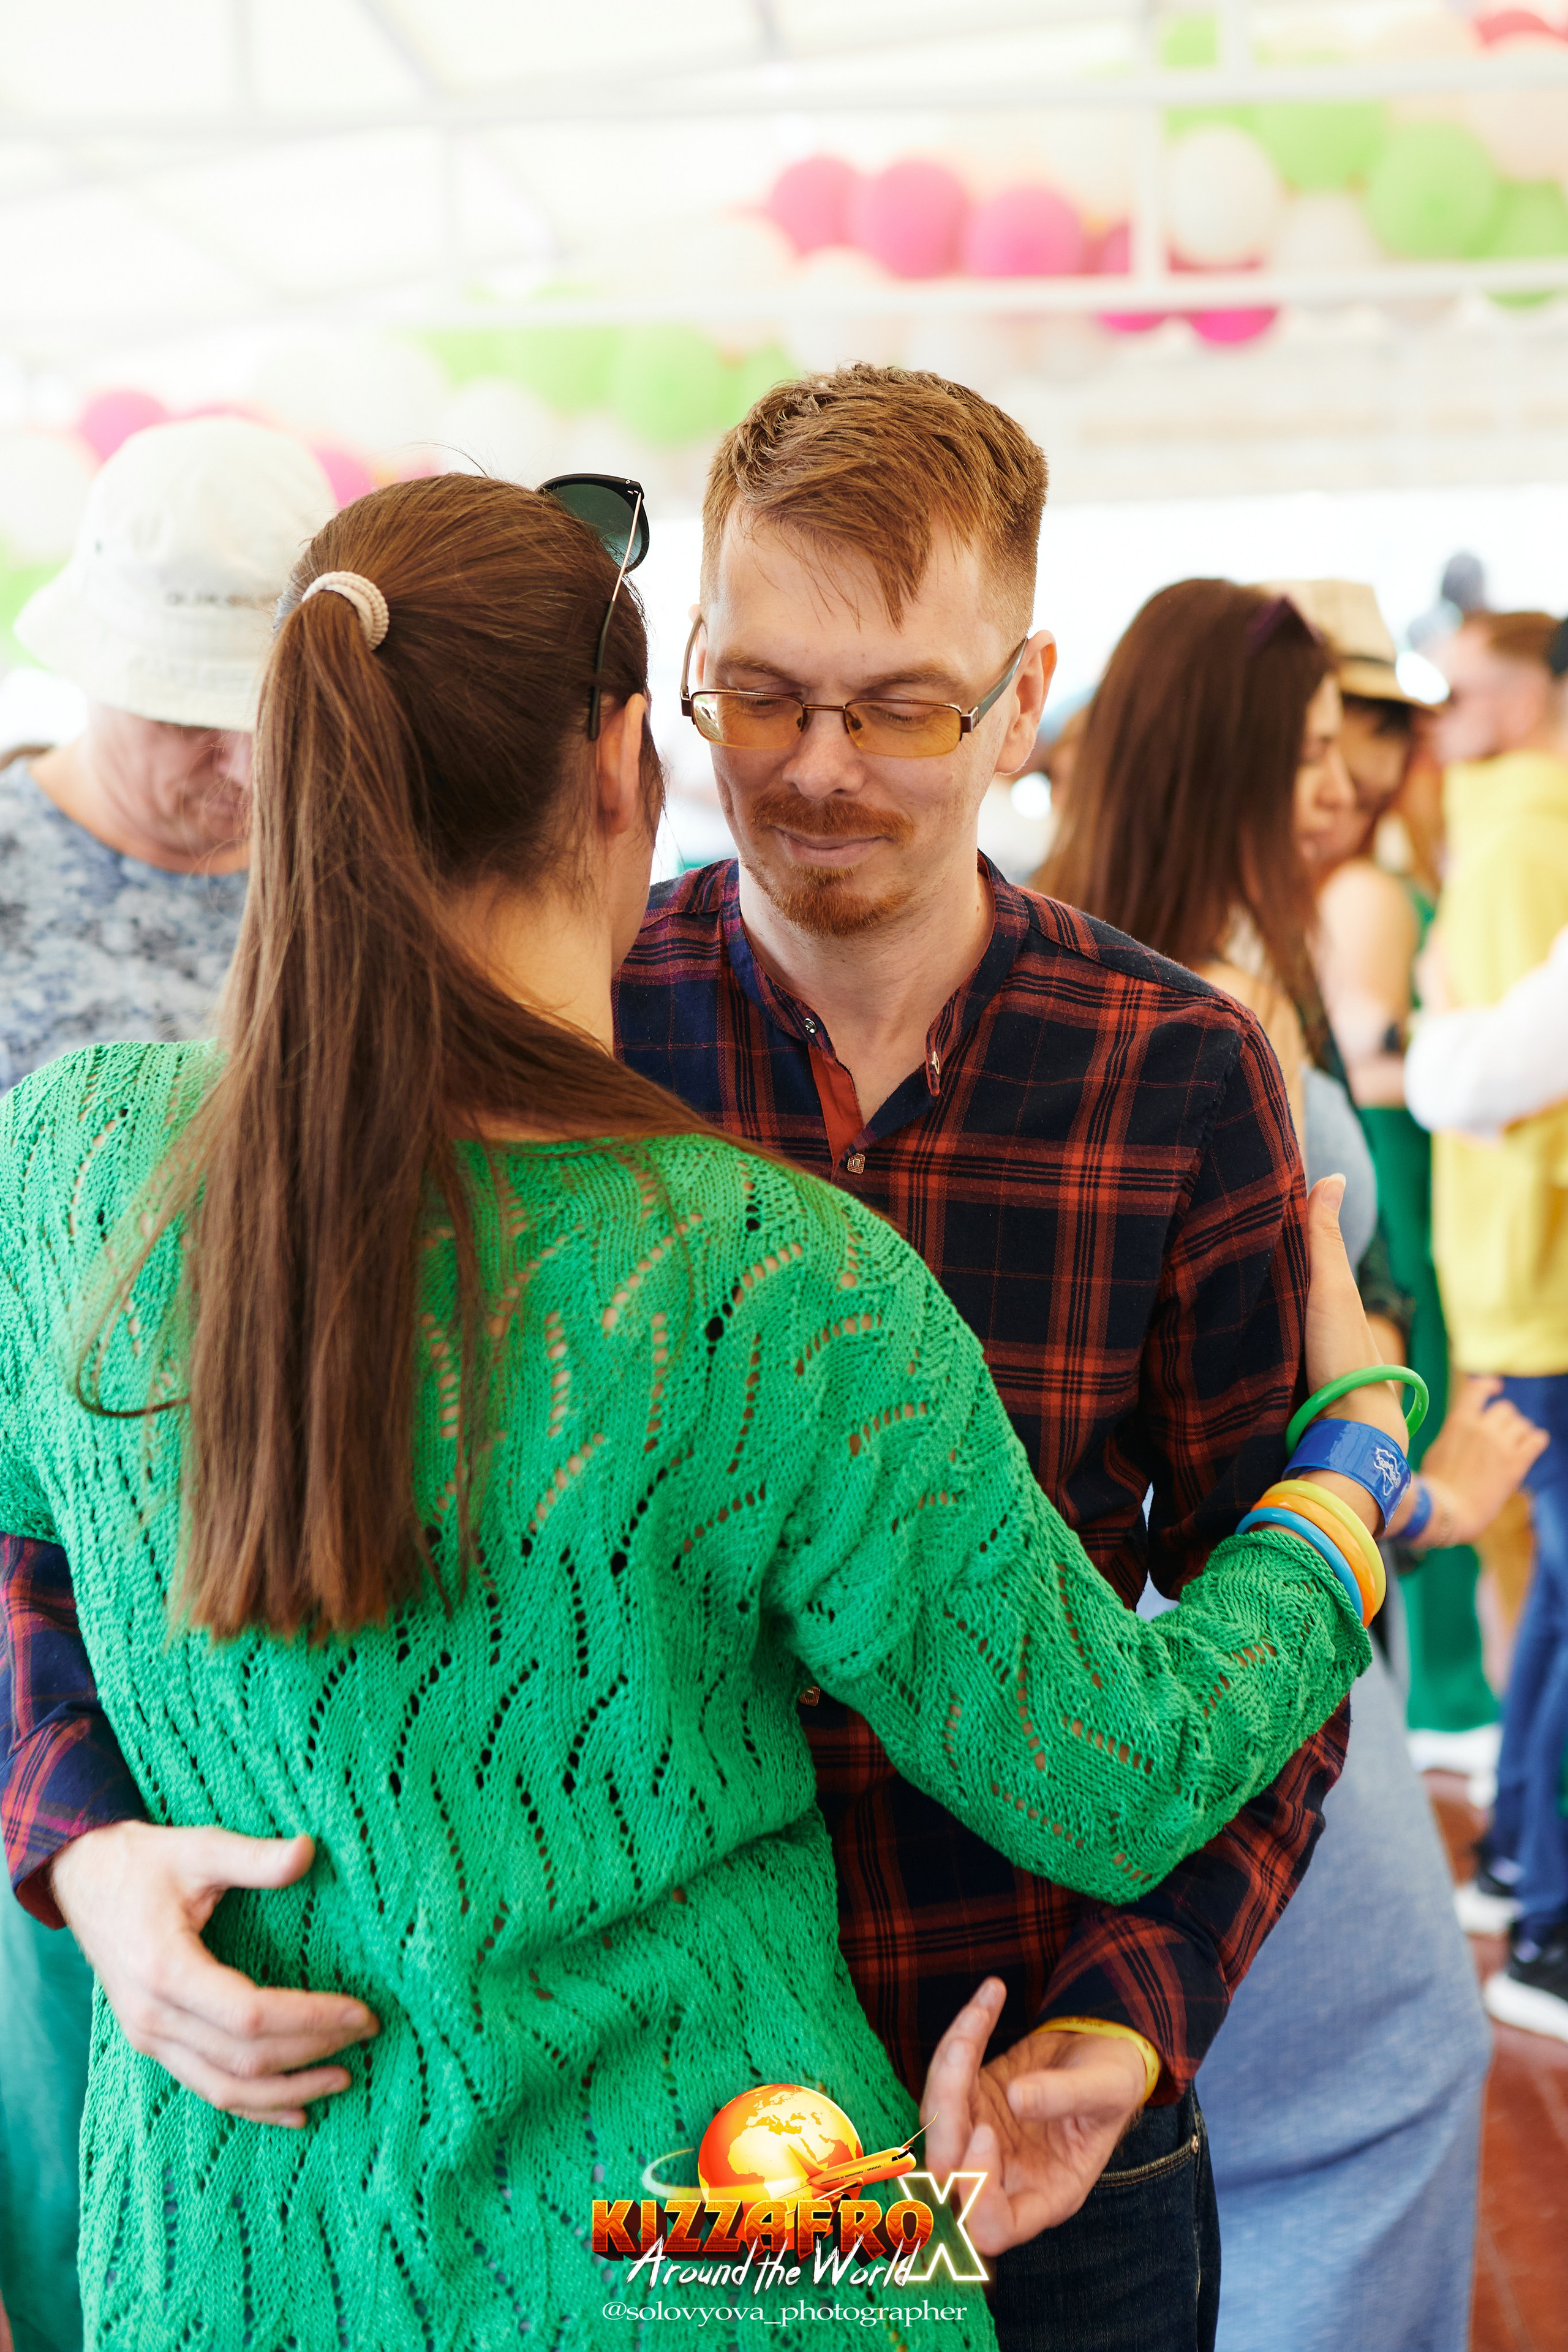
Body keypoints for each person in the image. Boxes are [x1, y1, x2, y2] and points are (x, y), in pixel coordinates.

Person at [8, 369, 1382, 2352]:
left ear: (1024, 697)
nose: (821, 767)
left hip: (998, 2090)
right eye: (762, 696)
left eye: (902, 706)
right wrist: (81, 1848)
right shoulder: (722, 1226)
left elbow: (1237, 1701)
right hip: (729, 2207)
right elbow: (1150, 1726)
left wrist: (1131, 2021)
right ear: (642, 734)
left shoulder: (1173, 1077)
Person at [1041, 577, 1523, 2352]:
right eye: (1310, 744)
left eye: (1356, 739)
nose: (1343, 780)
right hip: (1243, 1635)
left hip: (1175, 1640)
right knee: (1371, 2089)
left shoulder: (1107, 980)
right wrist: (1409, 1489)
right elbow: (1252, 1434)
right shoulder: (1211, 1020)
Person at [0, 415, 334, 2352]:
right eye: (183, 717)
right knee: (68, 2145)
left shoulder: (335, 878)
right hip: (41, 1598)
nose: (228, 767)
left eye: (256, 722)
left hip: (289, 1603)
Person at [1285, 578, 1507, 1770]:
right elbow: (1370, 1049)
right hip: (1388, 1168)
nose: (1353, 769)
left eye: (1367, 731)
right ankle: (1447, 1704)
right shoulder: (1363, 886)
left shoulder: (1347, 882)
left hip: (1397, 1171)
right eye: (1337, 732)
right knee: (1403, 1395)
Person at [1427, 608, 1568, 2041]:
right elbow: (1494, 1075)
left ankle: (1524, 1863)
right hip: (1538, 1274)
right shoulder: (1529, 832)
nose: (1439, 712)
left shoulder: (1509, 830)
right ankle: (1539, 1902)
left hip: (1518, 1268)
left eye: (1468, 684)